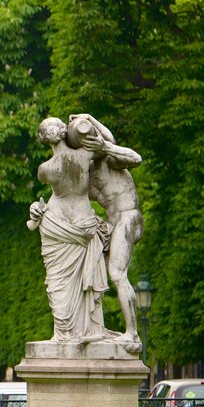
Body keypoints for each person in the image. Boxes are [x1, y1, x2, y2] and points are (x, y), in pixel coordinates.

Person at [28, 117, 115, 344]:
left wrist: (37, 207)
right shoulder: (85, 156)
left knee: (58, 284)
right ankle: (85, 330)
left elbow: (54, 197)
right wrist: (90, 121)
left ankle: (65, 332)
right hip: (83, 222)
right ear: (65, 131)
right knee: (79, 286)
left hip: (57, 226)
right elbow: (109, 141)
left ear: (43, 139)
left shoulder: (45, 169)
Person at [70, 113, 144, 348]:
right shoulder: (87, 172)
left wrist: (92, 122)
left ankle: (132, 333)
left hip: (127, 217)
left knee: (117, 274)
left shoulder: (108, 159)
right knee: (87, 266)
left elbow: (136, 157)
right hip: (112, 223)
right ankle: (93, 327)